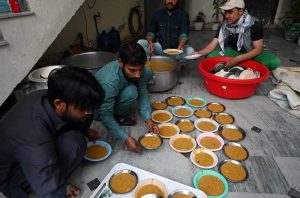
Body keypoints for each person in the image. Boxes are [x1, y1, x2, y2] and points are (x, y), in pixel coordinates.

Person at [0, 67, 105, 198]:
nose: (89, 112)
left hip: (29, 151)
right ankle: (35, 188)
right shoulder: (35, 136)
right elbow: (49, 190)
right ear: (59, 104)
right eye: (83, 108)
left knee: (75, 139)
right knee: (70, 149)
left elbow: (76, 117)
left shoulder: (51, 96)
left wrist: (85, 130)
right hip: (11, 175)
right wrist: (57, 188)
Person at [94, 43, 159, 153]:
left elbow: (143, 92)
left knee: (147, 73)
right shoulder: (109, 82)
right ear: (120, 62)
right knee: (132, 92)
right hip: (98, 110)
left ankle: (119, 113)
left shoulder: (138, 70)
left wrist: (148, 118)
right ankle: (118, 117)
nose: (138, 75)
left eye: (140, 69)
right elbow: (105, 114)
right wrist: (126, 138)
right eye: (132, 70)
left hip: (116, 95)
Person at [193, 0, 280, 70]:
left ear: (240, 11)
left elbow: (258, 49)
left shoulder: (254, 24)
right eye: (226, 12)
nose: (226, 16)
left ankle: (242, 64)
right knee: (210, 57)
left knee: (273, 61)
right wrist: (199, 53)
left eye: (230, 12)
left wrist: (237, 59)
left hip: (252, 53)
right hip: (233, 52)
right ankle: (247, 67)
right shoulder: (225, 24)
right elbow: (212, 45)